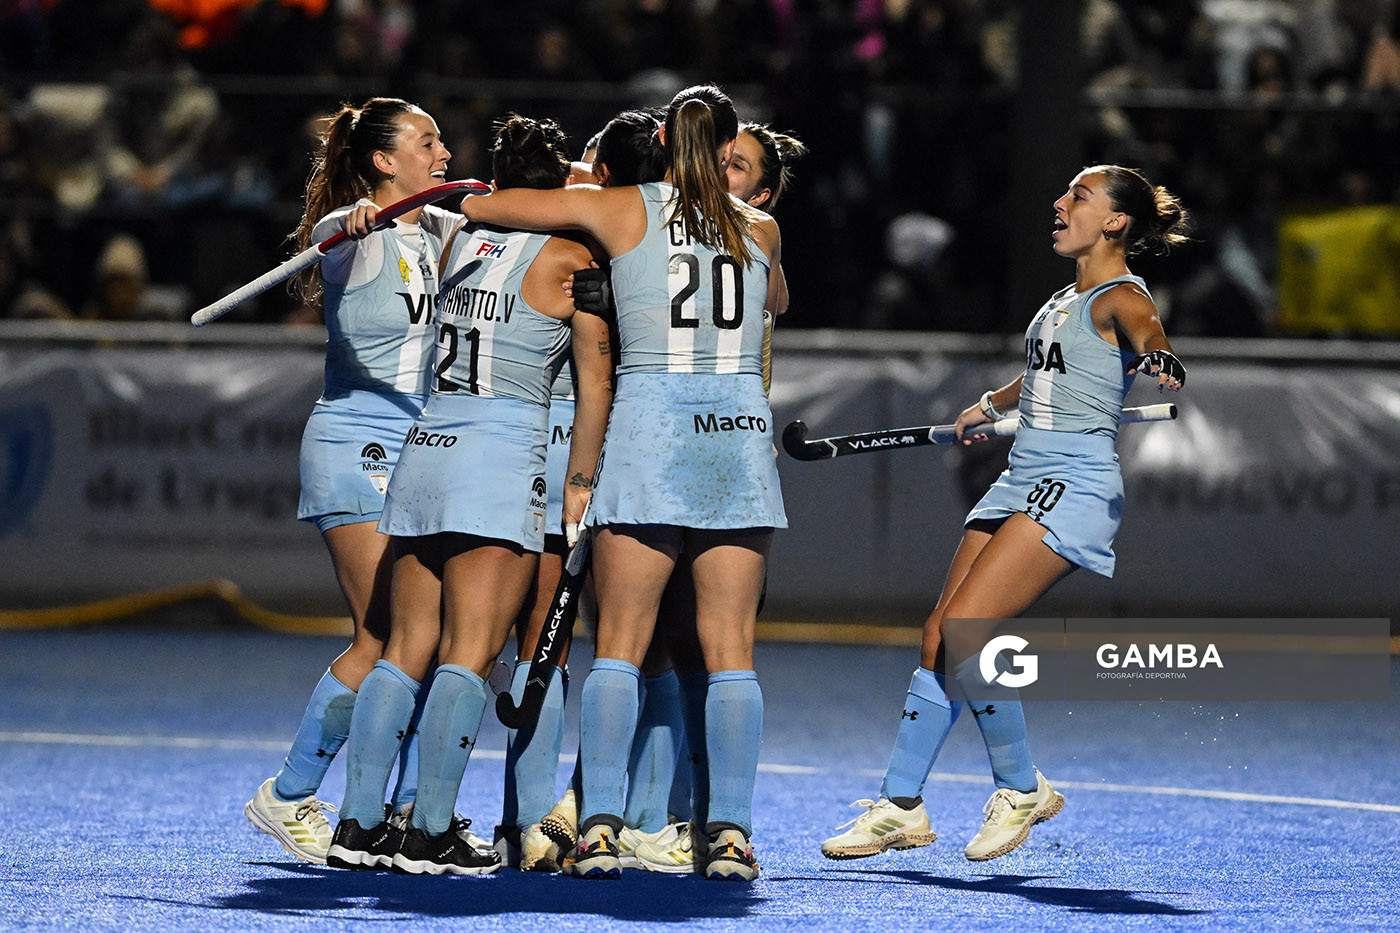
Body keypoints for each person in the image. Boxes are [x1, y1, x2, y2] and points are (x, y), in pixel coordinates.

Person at [460, 84, 787, 882]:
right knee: (730, 653)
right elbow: (775, 300)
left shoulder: (624, 210)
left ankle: (598, 827)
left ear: (668, 147)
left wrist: (559, 181)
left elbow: (491, 211)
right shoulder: (764, 226)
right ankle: (730, 837)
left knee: (620, 643)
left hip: (651, 429)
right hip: (738, 434)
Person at [821, 164, 1189, 863]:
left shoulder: (1121, 297)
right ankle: (900, 805)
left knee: (969, 629)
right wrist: (992, 404)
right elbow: (1048, 371)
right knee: (939, 635)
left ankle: (1020, 786)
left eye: (1078, 197)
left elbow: (1151, 339)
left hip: (1072, 483)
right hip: (1019, 477)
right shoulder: (1060, 301)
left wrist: (1162, 361)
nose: (1059, 202)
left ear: (1115, 222)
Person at [325, 114, 612, 876]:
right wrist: (581, 481)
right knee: (471, 651)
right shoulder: (571, 251)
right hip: (500, 451)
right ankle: (429, 831)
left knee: (405, 647)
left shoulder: (455, 238)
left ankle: (359, 825)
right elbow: (595, 385)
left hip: (429, 446)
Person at [243, 96, 453, 865]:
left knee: (426, 641)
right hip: (358, 441)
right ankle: (289, 794)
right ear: (382, 161)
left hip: (422, 446)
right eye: (427, 142)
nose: (444, 153)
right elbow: (331, 235)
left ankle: (393, 813)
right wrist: (350, 221)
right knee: (386, 634)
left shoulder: (439, 230)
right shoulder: (352, 234)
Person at [496, 107, 669, 875]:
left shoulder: (591, 224)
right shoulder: (671, 228)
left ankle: (539, 818)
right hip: (638, 448)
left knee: (550, 636)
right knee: (632, 644)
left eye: (590, 156)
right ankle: (610, 815)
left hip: (576, 441)